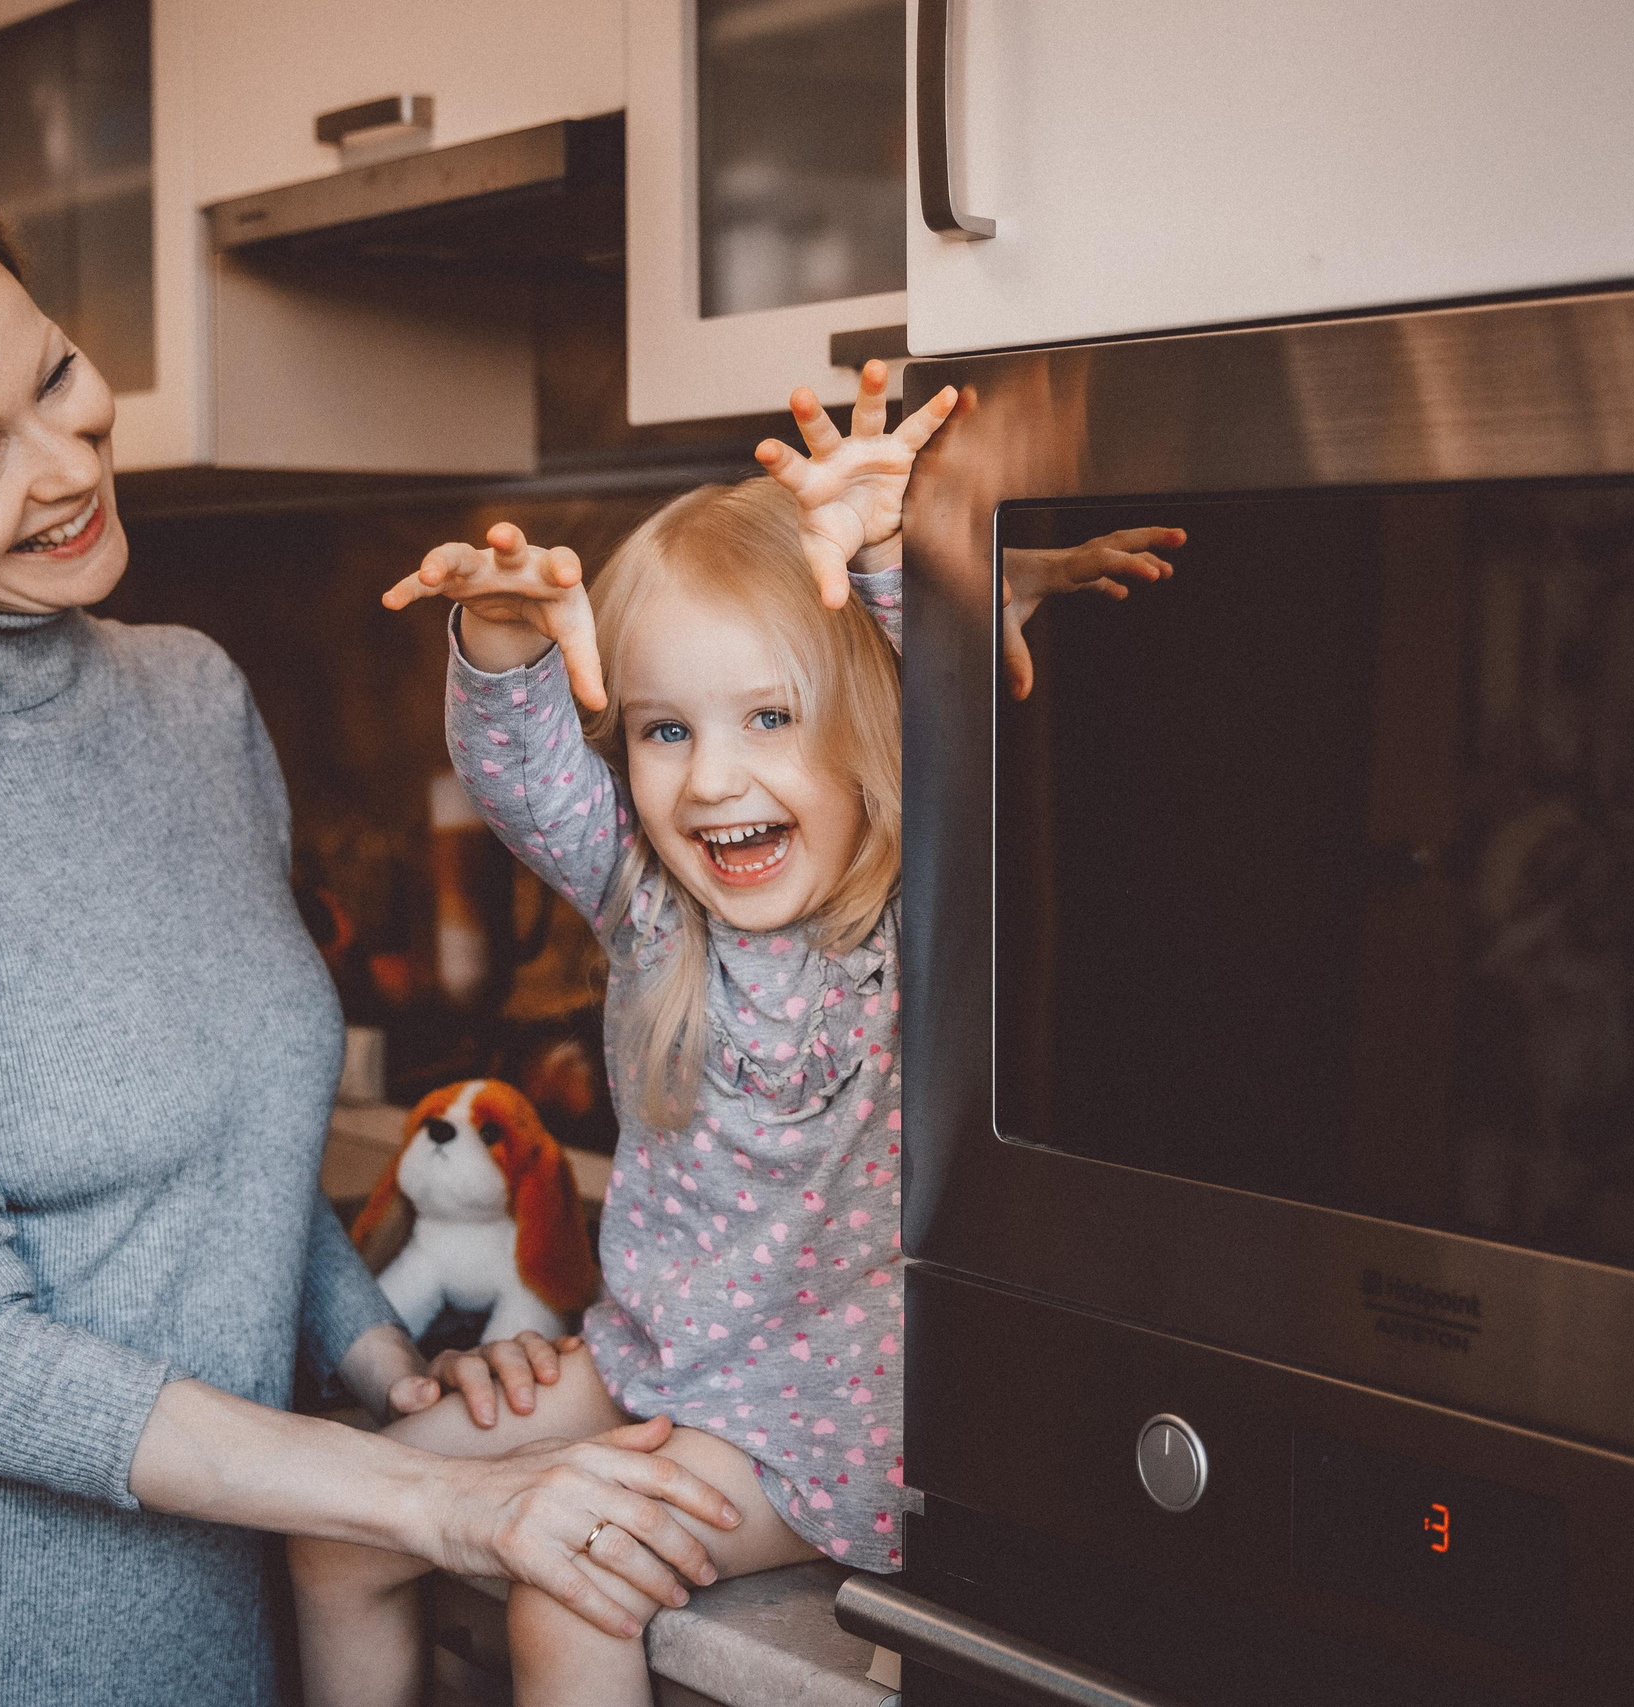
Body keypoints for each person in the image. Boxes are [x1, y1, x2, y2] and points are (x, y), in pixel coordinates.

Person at [0, 173, 744, 1707]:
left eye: (56, 375)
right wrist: (426, 1500)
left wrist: (401, 1375)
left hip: (240, 1603)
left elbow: (237, 1166)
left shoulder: (193, 695)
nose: (68, 464)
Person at [291, 362, 1173, 1706]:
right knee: (336, 1525)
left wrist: (888, 566)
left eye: (770, 717)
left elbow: (940, 728)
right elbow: (522, 773)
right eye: (664, 730)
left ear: (860, 725)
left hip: (829, 1437)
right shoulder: (649, 904)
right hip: (650, 1371)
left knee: (568, 1587)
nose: (711, 778)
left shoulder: (918, 915)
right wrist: (505, 635)